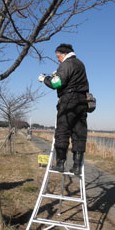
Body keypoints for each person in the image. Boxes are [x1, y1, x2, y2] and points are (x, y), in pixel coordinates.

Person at [38, 43, 89, 175]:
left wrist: (45, 79)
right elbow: (70, 79)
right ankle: (77, 166)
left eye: (58, 56)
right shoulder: (80, 63)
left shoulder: (67, 64)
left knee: (62, 131)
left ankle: (60, 163)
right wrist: (58, 74)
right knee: (79, 133)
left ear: (64, 54)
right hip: (82, 101)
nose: (57, 59)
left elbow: (57, 83)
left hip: (69, 100)